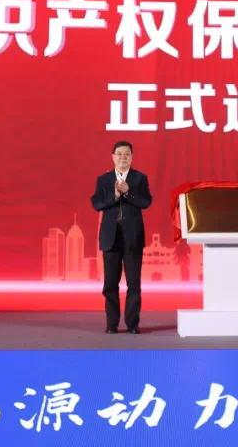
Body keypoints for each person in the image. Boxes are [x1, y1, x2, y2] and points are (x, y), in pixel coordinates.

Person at [91, 140, 152, 333]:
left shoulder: (139, 178)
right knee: (110, 285)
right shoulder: (104, 179)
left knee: (134, 284)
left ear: (132, 157)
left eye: (127, 154)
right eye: (119, 154)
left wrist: (128, 193)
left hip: (132, 239)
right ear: (113, 157)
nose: (123, 157)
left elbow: (146, 202)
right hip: (111, 239)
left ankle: (133, 324)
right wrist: (115, 196)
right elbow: (97, 203)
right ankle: (112, 324)